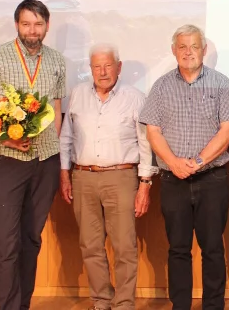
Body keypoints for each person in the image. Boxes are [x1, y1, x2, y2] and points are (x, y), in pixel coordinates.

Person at [0, 0, 67, 310]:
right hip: (7, 159)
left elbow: (56, 110)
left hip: (46, 162)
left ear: (47, 26)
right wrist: (7, 138)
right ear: (17, 24)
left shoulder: (56, 60)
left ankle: (22, 304)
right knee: (8, 243)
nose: (32, 30)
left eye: (38, 24)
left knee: (32, 239)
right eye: (26, 24)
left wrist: (54, 149)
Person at [139, 24, 229, 310]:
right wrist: (173, 163)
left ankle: (213, 307)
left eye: (194, 46)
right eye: (182, 47)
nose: (188, 52)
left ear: (204, 50)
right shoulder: (161, 86)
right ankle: (180, 305)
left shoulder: (221, 83)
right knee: (178, 249)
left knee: (213, 249)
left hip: (212, 179)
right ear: (173, 51)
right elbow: (153, 131)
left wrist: (196, 162)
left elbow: (228, 131)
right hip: (173, 181)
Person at [59, 43, 157, 310]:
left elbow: (146, 145)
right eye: (97, 66)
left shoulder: (135, 97)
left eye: (108, 65)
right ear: (90, 69)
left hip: (122, 178)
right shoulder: (77, 94)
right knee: (90, 245)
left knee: (124, 247)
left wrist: (145, 185)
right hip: (82, 177)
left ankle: (124, 304)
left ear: (119, 67)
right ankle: (101, 302)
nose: (103, 72)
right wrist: (64, 174)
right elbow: (66, 137)